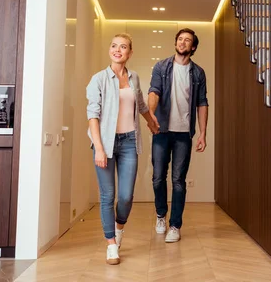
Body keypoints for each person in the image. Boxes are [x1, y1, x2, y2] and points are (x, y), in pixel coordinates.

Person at [86, 33, 159, 265]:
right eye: (114, 46)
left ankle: (119, 230)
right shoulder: (98, 79)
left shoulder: (134, 77)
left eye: (123, 47)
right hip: (105, 143)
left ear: (130, 53)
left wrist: (150, 120)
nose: (118, 50)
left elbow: (140, 103)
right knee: (107, 196)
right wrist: (98, 148)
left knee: (126, 196)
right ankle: (110, 245)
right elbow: (93, 116)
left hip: (129, 142)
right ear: (110, 50)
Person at [148, 28, 209, 243]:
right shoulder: (161, 66)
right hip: (161, 131)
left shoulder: (198, 73)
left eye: (187, 40)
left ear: (193, 47)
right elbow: (154, 91)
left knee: (178, 181)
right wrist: (151, 116)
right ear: (176, 43)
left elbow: (202, 103)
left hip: (184, 133)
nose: (182, 42)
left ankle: (175, 225)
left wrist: (202, 133)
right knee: (157, 179)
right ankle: (160, 215)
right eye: (180, 39)